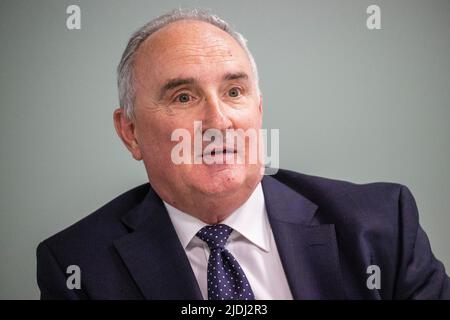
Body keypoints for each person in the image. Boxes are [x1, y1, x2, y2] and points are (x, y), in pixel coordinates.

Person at [36, 8, 450, 300]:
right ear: (130, 133)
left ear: (258, 109)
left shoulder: (381, 224)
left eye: (234, 92)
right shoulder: (78, 265)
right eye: (183, 97)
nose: (218, 121)